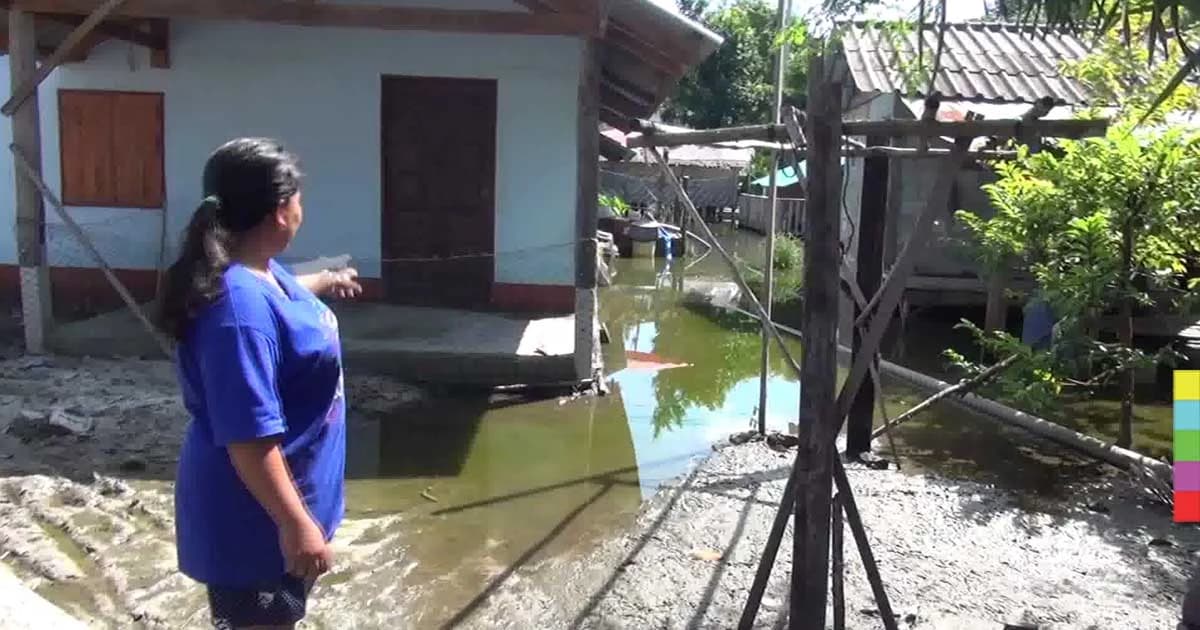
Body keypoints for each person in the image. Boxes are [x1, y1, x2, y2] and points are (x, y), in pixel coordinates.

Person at [159, 138, 362, 629]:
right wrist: (296, 527)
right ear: (279, 211)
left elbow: (286, 291)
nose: (301, 209)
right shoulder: (238, 313)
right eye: (298, 199)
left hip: (280, 513)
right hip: (255, 527)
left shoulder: (262, 275)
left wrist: (326, 279)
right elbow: (249, 438)